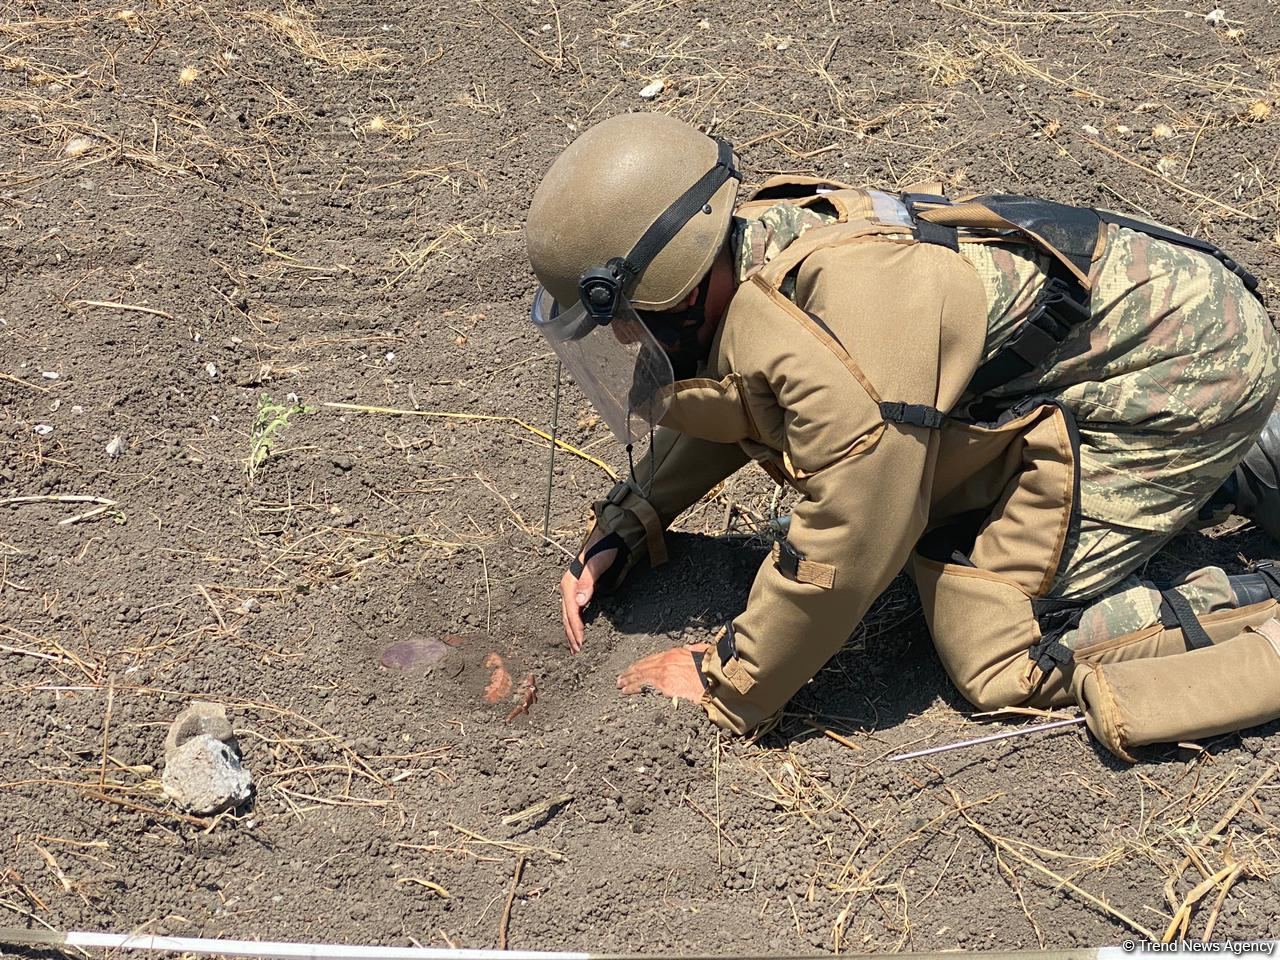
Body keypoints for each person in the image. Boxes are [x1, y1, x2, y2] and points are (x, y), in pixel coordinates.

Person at [524, 111, 1280, 761]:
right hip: (1129, 340)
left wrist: (727, 679)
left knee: (996, 653)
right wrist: (631, 520)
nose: (623, 343)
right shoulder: (749, 247)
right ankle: (1237, 466)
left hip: (1179, 379)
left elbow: (856, 536)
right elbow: (744, 398)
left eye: (621, 319)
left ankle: (1254, 595)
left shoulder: (840, 336)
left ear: (679, 286)